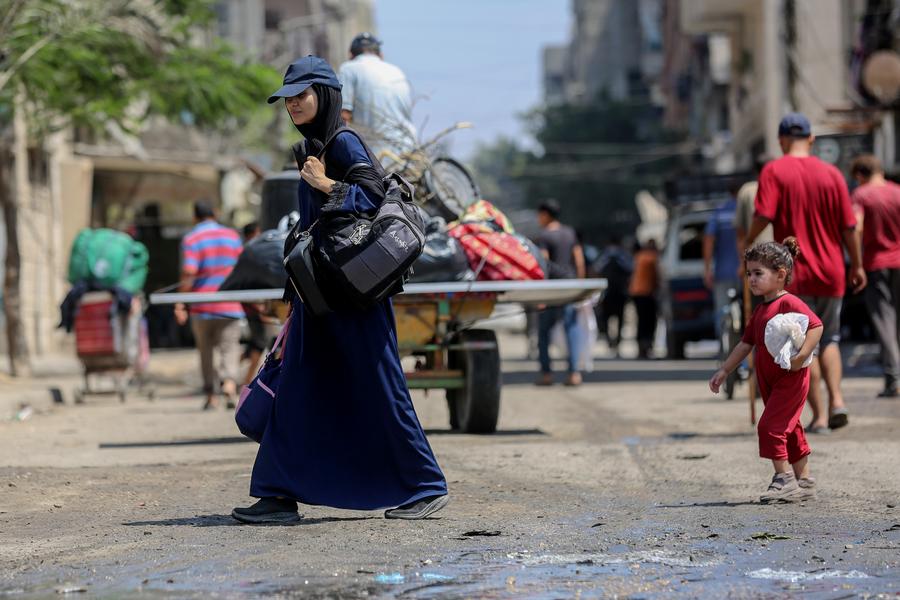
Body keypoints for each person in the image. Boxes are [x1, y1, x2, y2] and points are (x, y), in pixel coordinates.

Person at [231, 55, 448, 524]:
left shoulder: (343, 142)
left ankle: (426, 485)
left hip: (355, 295)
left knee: (381, 385)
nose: (293, 104)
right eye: (288, 98)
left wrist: (326, 184)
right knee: (299, 386)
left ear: (326, 95)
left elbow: (376, 197)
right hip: (318, 293)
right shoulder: (311, 145)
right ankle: (276, 494)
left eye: (302, 95)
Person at [745, 113, 866, 433]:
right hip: (831, 272)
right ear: (812, 139)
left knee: (801, 344)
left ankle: (821, 416)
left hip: (792, 274)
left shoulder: (774, 170)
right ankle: (837, 401)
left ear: (781, 140)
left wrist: (748, 239)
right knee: (830, 339)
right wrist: (857, 265)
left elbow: (764, 214)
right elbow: (849, 227)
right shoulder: (832, 174)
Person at [710, 238, 823, 503]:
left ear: (780, 275)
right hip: (770, 382)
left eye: (758, 273)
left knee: (770, 426)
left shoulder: (788, 303)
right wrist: (725, 370)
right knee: (790, 428)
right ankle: (804, 482)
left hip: (791, 379)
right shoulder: (760, 310)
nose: (751, 279)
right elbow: (745, 344)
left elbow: (816, 326)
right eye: (749, 273)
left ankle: (784, 480)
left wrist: (802, 355)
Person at [175, 201, 245, 410]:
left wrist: (181, 302)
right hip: (230, 304)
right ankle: (229, 384)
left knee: (206, 352)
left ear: (194, 216)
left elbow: (189, 271)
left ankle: (211, 395)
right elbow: (242, 266)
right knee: (229, 348)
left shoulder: (192, 238)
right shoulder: (232, 236)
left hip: (202, 305)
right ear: (215, 213)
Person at [850, 154, 900, 398]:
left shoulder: (861, 195)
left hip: (877, 264)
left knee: (884, 321)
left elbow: (856, 226)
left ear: (860, 175)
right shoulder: (897, 192)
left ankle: (894, 378)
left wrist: (856, 262)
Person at [337, 32, 417, 163]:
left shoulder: (348, 69)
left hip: (376, 155)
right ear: (381, 55)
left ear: (351, 55)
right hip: (409, 150)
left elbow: (343, 116)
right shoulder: (397, 71)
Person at [534, 199, 587, 387]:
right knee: (571, 329)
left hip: (552, 289)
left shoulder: (544, 236)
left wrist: (540, 293)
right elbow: (579, 260)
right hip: (570, 286)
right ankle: (574, 374)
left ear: (545, 215)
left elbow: (543, 263)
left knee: (543, 333)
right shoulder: (570, 233)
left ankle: (546, 374)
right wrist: (580, 286)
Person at [703, 184, 741, 346]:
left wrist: (707, 269)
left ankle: (725, 345)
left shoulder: (719, 213)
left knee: (722, 311)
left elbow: (708, 239)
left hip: (722, 273)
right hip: (746, 273)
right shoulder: (747, 210)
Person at [594, 235, 632, 356]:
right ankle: (617, 341)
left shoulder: (605, 255)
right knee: (620, 318)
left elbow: (596, 269)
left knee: (605, 318)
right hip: (620, 292)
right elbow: (630, 269)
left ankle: (610, 340)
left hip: (607, 292)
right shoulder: (623, 255)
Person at [629, 239, 659, 359]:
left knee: (641, 320)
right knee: (649, 321)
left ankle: (642, 347)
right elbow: (657, 276)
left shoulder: (639, 256)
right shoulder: (651, 257)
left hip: (636, 292)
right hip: (646, 293)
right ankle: (646, 346)